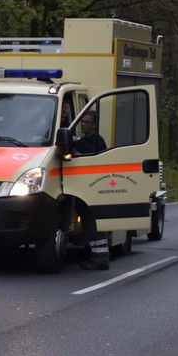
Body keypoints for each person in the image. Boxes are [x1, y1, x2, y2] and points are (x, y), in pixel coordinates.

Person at [71, 111, 109, 269]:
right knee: (88, 226)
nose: (83, 124)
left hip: (94, 191)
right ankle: (95, 256)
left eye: (87, 122)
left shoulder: (97, 142)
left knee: (94, 227)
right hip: (85, 190)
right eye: (82, 122)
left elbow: (87, 152)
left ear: (94, 125)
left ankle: (101, 259)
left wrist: (74, 142)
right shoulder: (86, 141)